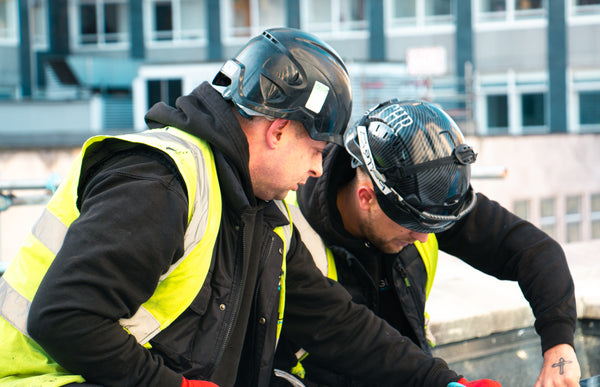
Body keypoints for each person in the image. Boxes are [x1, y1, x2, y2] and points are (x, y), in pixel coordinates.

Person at [0, 28, 494, 387]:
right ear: (279, 131)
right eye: (318, 151)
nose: (320, 172)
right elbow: (65, 317)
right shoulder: (162, 183)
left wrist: (443, 382)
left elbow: (334, 322)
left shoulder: (256, 212)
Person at [275, 99, 581, 387]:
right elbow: (354, 338)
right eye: (413, 226)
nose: (424, 237)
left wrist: (559, 345)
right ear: (366, 198)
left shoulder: (422, 201)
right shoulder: (290, 231)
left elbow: (534, 251)